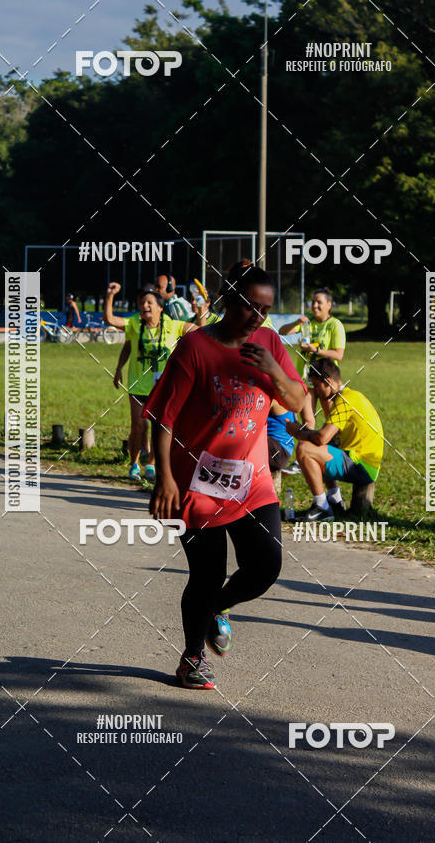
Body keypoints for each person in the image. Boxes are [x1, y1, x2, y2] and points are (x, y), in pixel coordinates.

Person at [142, 264, 306, 689]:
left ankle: (216, 608)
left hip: (252, 481)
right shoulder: (195, 347)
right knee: (206, 573)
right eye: (251, 306)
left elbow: (296, 398)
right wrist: (165, 479)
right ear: (227, 299)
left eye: (266, 309)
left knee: (266, 565)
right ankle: (192, 657)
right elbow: (163, 418)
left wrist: (274, 368)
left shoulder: (269, 342)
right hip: (196, 483)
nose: (258, 317)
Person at [105, 282, 196, 482]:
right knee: (138, 426)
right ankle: (133, 464)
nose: (145, 305)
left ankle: (152, 465)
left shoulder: (173, 325)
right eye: (142, 302)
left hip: (163, 387)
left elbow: (200, 332)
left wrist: (201, 311)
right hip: (138, 385)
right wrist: (110, 295)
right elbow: (110, 319)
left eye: (149, 302)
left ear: (160, 307)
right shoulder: (135, 324)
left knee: (159, 427)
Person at [286, 358, 383, 521]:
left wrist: (298, 432)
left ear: (328, 382)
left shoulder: (344, 400)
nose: (315, 391)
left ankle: (322, 506)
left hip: (362, 465)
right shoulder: (349, 395)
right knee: (320, 445)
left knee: (304, 448)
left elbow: (322, 437)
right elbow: (327, 438)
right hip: (364, 462)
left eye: (317, 386)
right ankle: (335, 500)